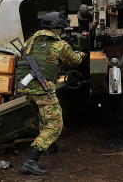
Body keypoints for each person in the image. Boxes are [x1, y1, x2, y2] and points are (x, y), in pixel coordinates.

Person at [20, 11, 86, 176]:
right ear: (58, 27)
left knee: (44, 117)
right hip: (43, 89)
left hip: (28, 89)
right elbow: (74, 61)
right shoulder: (59, 45)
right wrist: (81, 53)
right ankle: (31, 160)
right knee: (55, 124)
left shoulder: (30, 41)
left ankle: (50, 147)